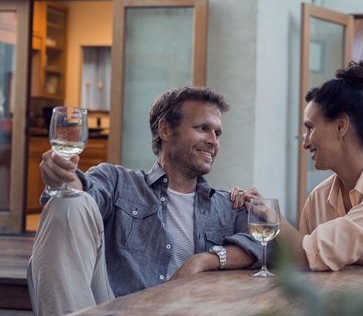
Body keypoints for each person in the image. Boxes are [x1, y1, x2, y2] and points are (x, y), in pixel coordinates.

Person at [32, 86, 262, 315]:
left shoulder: (228, 204)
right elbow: (81, 194)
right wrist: (60, 179)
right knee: (67, 202)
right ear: (165, 130)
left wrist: (203, 260)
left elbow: (263, 246)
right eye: (203, 128)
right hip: (117, 308)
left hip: (188, 310)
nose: (213, 141)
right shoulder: (118, 181)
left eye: (217, 133)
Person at [230, 60, 363, 271]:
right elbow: (303, 267)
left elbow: (304, 257)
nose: (305, 142)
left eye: (310, 128)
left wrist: (273, 216)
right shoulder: (318, 199)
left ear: (340, 126)